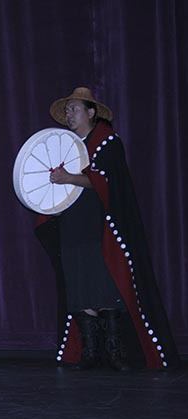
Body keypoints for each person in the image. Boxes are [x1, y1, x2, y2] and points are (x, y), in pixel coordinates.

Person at [35, 87, 179, 371]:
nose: (69, 114)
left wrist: (70, 178)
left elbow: (109, 181)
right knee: (79, 284)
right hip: (72, 224)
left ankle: (115, 352)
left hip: (99, 226)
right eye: (67, 110)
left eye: (74, 109)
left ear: (91, 112)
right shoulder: (62, 145)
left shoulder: (107, 142)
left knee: (107, 283)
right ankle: (91, 351)